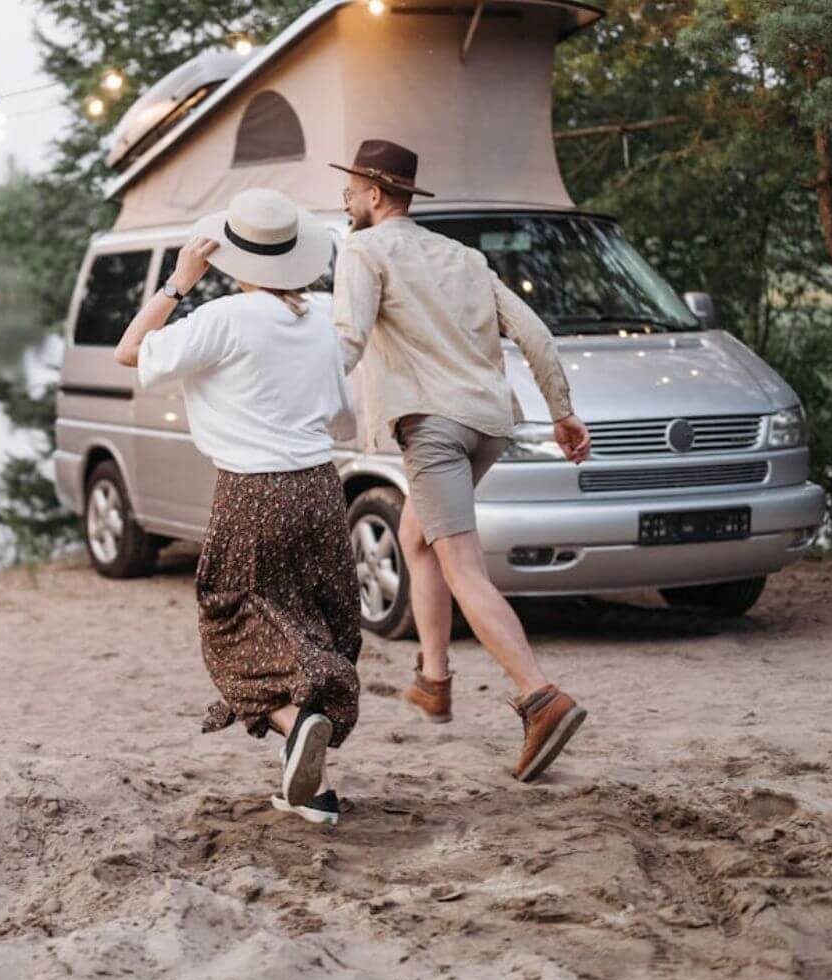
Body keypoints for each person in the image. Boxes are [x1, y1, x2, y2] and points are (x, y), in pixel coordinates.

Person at [330, 139, 592, 783]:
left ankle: (540, 697)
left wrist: (298, 399)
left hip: (434, 428)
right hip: (488, 423)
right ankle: (434, 680)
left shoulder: (362, 250)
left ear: (373, 194)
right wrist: (562, 412)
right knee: (416, 536)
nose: (344, 199)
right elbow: (534, 334)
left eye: (350, 189)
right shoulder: (466, 257)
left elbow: (348, 339)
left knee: (462, 567)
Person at [113, 188, 361, 825]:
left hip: (253, 491)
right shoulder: (323, 317)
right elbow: (342, 411)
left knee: (232, 624)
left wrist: (178, 282)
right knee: (310, 624)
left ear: (231, 256)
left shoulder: (223, 317)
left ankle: (295, 721)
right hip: (320, 488)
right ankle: (313, 790)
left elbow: (130, 350)